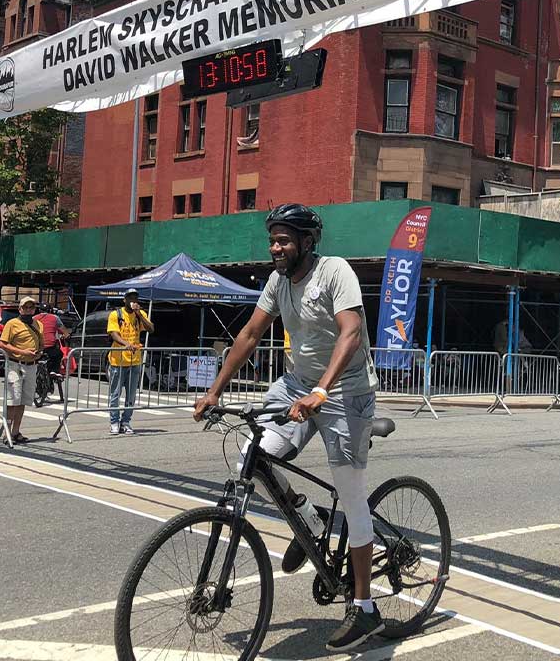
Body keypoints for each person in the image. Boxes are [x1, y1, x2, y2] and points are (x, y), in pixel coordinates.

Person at [193, 204, 384, 651]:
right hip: (296, 384)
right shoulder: (278, 282)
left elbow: (351, 331)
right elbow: (250, 335)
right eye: (273, 240)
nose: (276, 248)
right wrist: (215, 390)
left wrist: (322, 391)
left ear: (307, 242)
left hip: (346, 391)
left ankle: (365, 608)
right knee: (252, 460)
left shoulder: (335, 272)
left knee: (353, 497)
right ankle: (311, 518)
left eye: (284, 240)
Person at [0, 296, 43, 444]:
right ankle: (7, 433)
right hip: (15, 365)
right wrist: (23, 352)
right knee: (12, 401)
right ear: (20, 309)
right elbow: (3, 344)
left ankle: (16, 432)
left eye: (31, 307)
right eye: (26, 307)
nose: (28, 310)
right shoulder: (12, 324)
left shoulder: (38, 324)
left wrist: (39, 352)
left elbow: (41, 343)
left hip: (31, 365)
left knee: (23, 400)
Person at [107, 288, 153, 435]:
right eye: (130, 298)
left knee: (131, 394)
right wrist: (126, 344)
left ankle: (126, 421)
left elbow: (151, 329)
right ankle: (114, 421)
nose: (133, 301)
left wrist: (139, 314)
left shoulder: (141, 314)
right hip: (118, 360)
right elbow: (114, 334)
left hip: (135, 360)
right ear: (124, 299)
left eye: (135, 298)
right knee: (115, 393)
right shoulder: (116, 314)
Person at [34, 305, 71, 402]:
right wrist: (66, 335)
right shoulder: (55, 318)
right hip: (50, 346)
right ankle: (54, 370)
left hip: (36, 346)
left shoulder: (34, 318)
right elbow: (65, 332)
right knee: (58, 354)